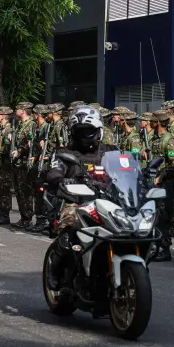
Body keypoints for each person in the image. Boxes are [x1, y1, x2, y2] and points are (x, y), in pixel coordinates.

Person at [45, 106, 117, 287]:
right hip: (75, 202)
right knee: (68, 231)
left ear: (99, 131)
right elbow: (54, 171)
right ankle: (55, 269)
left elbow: (127, 168)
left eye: (89, 131)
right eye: (81, 132)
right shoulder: (64, 152)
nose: (86, 136)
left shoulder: (110, 151)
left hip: (107, 202)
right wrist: (60, 178)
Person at [150, 110, 174, 262]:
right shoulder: (156, 138)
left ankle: (165, 249)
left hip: (165, 184)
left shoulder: (168, 140)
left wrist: (161, 176)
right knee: (154, 216)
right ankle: (156, 246)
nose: (150, 122)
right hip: (155, 183)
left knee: (163, 216)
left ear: (159, 122)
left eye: (153, 120)